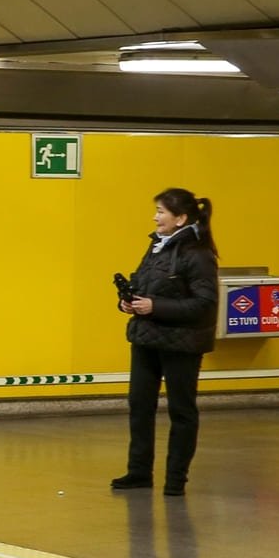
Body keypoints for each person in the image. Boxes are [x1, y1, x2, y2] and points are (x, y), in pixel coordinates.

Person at [114, 188, 219, 498]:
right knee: (140, 406)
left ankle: (175, 479)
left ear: (181, 218)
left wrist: (155, 307)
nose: (155, 216)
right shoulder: (157, 247)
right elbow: (146, 284)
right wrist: (130, 302)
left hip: (182, 344)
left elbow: (205, 303)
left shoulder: (198, 255)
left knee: (181, 411)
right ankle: (139, 472)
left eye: (161, 211)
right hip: (147, 338)